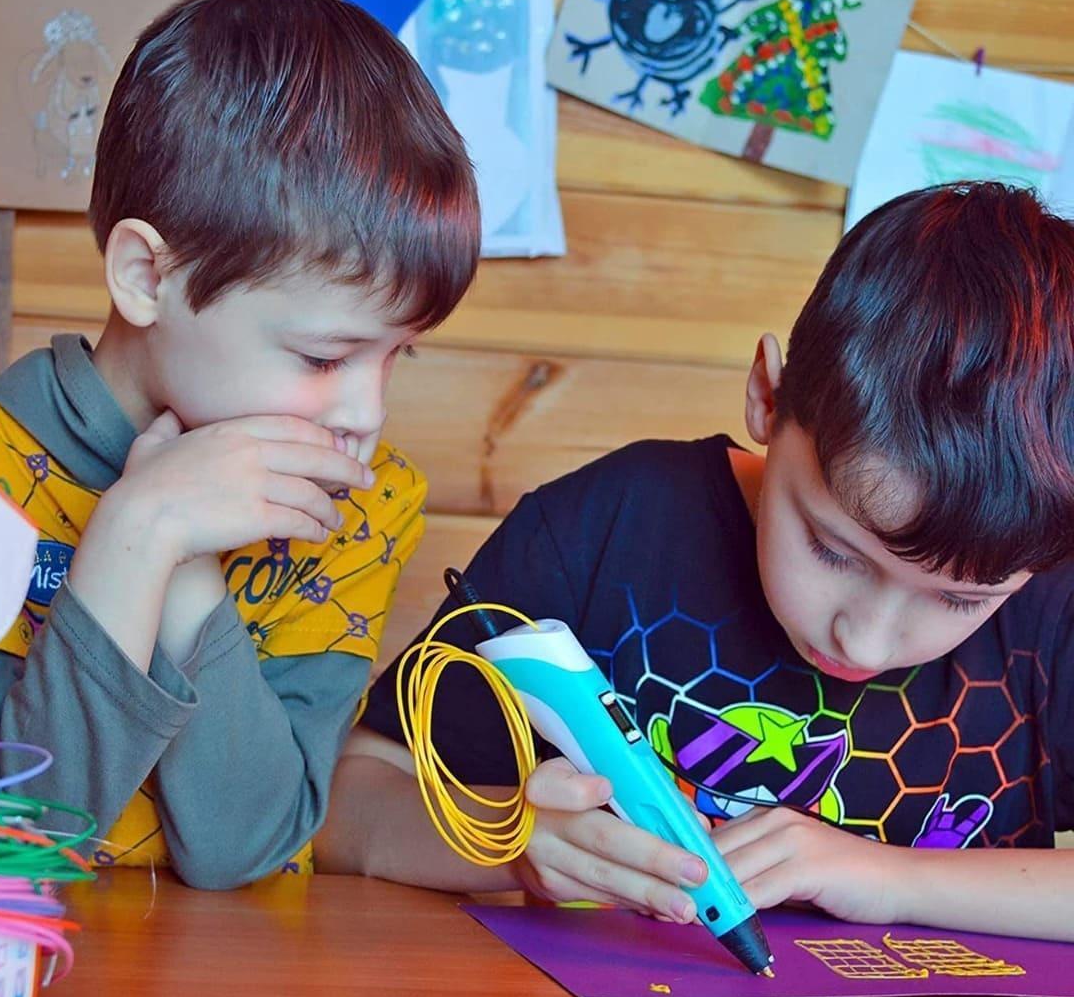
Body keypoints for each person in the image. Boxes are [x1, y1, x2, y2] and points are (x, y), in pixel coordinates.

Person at [321, 183, 1074, 941]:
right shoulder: (611, 528)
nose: (865, 642)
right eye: (832, 549)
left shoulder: (1054, 604)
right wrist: (511, 845)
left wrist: (891, 879)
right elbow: (349, 807)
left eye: (959, 599)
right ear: (768, 397)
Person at [0, 0, 479, 889]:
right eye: (324, 356)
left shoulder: (363, 503)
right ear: (147, 277)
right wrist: (136, 533)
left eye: (400, 354)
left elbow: (249, 846)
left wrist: (188, 571)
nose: (367, 412)